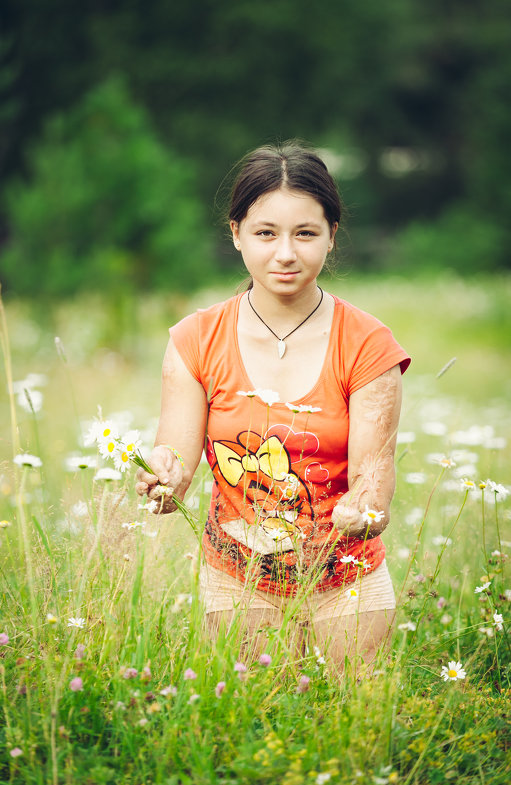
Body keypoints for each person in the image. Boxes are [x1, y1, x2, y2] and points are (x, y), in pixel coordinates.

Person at [135, 142, 410, 674]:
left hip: (348, 582)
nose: (285, 253)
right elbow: (175, 456)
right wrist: (164, 480)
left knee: (358, 730)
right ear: (235, 233)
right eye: (266, 233)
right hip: (236, 581)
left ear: (332, 236)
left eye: (305, 233)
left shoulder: (368, 344)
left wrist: (366, 510)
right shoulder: (195, 339)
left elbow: (374, 474)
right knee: (257, 730)